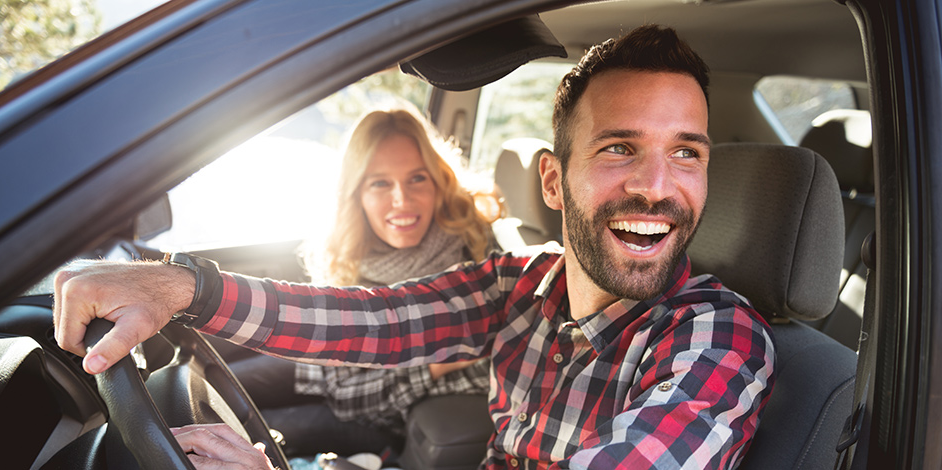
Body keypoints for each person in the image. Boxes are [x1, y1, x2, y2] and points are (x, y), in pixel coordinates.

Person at [53, 24, 775, 469]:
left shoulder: (718, 339)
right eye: (621, 148)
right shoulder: (523, 286)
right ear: (553, 182)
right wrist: (183, 289)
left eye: (687, 155)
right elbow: (369, 320)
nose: (657, 187)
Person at [226, 107, 496, 457]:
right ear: (357, 193)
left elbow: (352, 398)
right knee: (221, 385)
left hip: (382, 419)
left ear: (438, 181)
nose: (402, 200)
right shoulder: (354, 249)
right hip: (326, 371)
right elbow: (337, 371)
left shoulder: (477, 254)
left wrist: (435, 367)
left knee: (249, 431)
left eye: (417, 178)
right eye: (380, 183)